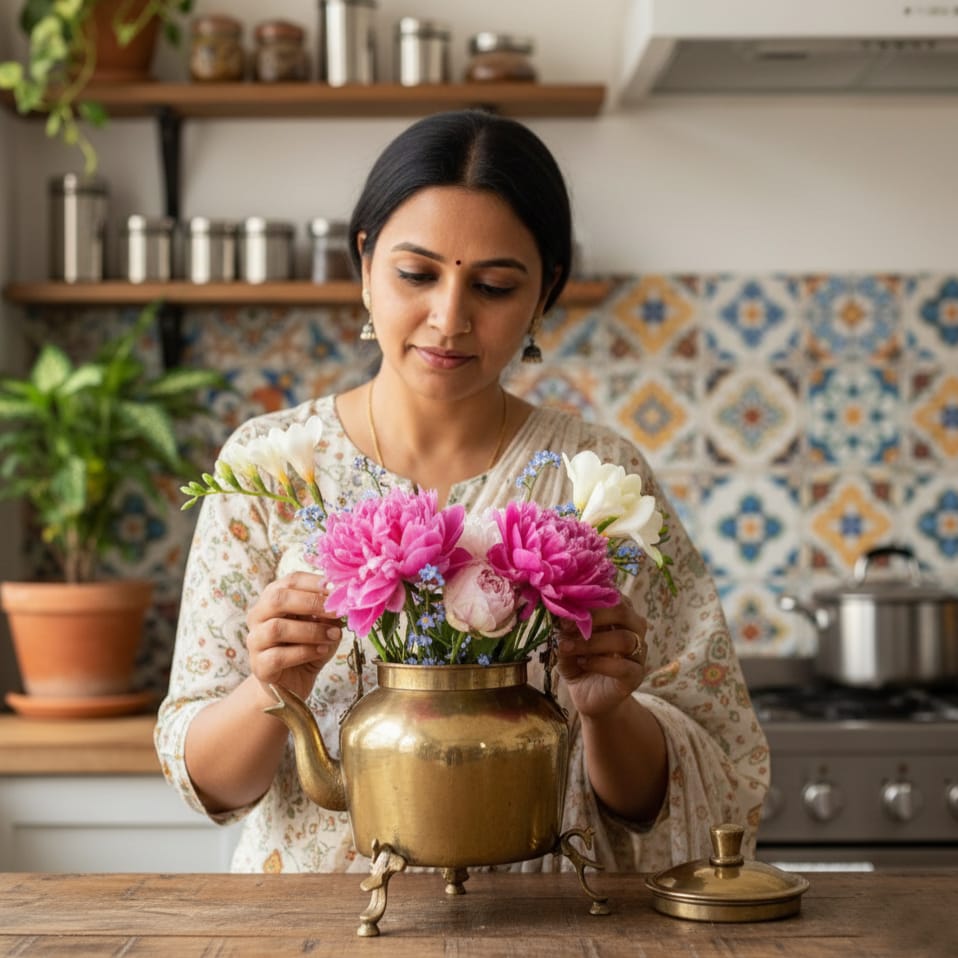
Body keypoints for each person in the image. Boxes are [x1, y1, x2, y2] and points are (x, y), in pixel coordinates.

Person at [155, 110, 769, 874]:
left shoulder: (597, 484)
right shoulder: (273, 470)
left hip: (550, 925)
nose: (449, 319)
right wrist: (266, 688)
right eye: (416, 275)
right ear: (365, 266)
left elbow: (675, 796)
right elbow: (212, 786)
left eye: (495, 285)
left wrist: (610, 713)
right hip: (311, 929)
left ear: (545, 293)